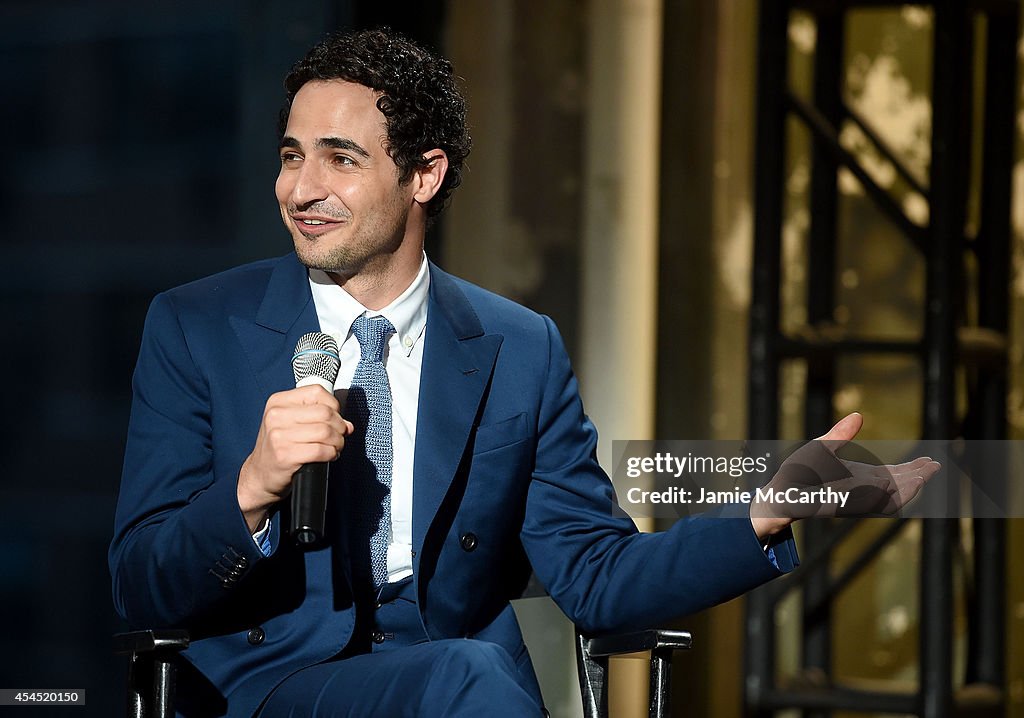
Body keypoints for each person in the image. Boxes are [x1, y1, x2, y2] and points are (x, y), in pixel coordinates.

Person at [108, 27, 938, 718]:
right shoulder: (197, 325)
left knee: (471, 673)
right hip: (273, 688)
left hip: (461, 682)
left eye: (340, 159)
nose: (301, 188)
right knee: (474, 676)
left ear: (424, 175)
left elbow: (595, 573)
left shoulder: (517, 345)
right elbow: (142, 584)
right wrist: (252, 486)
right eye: (292, 156)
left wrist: (759, 514)